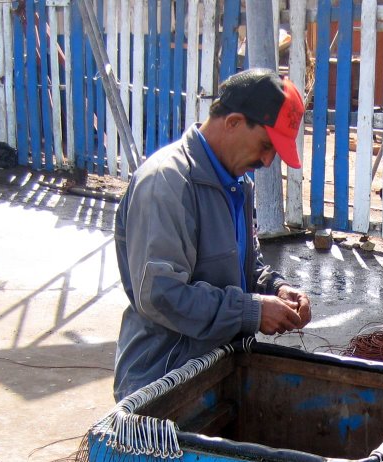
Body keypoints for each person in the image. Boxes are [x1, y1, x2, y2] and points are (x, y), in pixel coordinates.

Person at [113, 68, 312, 401]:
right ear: (233, 122)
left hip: (215, 368)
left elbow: (244, 266)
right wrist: (253, 310)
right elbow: (161, 295)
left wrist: (276, 288)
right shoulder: (166, 182)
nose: (266, 161)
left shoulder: (237, 184)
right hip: (163, 380)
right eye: (265, 146)